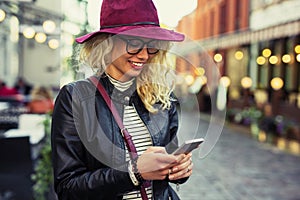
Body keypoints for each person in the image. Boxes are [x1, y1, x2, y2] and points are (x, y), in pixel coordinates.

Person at [51, 0, 193, 199]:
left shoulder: (160, 97)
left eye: (151, 46)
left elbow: (168, 160)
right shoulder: (75, 98)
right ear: (107, 43)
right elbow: (67, 188)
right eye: (134, 44)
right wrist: (134, 173)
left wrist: (178, 171)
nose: (144, 55)